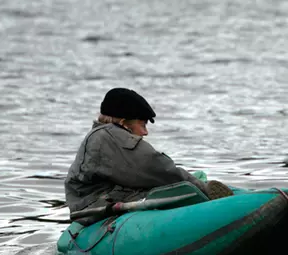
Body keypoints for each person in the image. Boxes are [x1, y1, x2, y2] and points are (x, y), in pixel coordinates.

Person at [65, 87, 233, 224]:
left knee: (173, 188)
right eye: (142, 124)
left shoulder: (102, 136)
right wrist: (202, 188)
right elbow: (156, 168)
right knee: (182, 189)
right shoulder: (110, 136)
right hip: (95, 206)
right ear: (123, 123)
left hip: (94, 201)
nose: (145, 132)